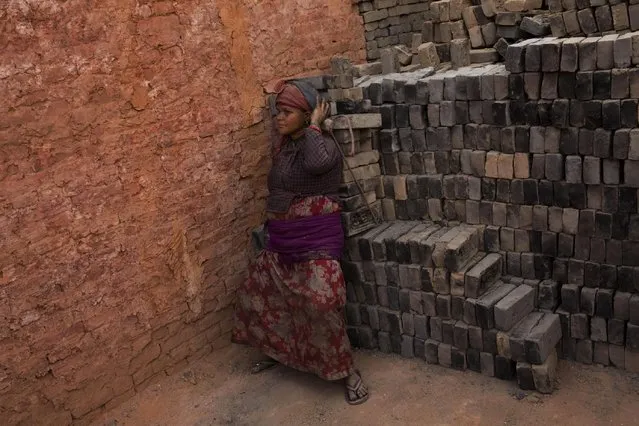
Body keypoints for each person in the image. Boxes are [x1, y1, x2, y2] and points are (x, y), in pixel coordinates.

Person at [232, 80, 369, 405]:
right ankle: (282, 354)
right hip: (282, 243)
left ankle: (348, 371)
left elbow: (318, 165)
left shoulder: (323, 148)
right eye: (278, 112)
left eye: (288, 112)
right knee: (260, 297)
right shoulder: (285, 149)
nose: (279, 118)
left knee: (323, 304)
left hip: (316, 244)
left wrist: (315, 127)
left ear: (307, 115)